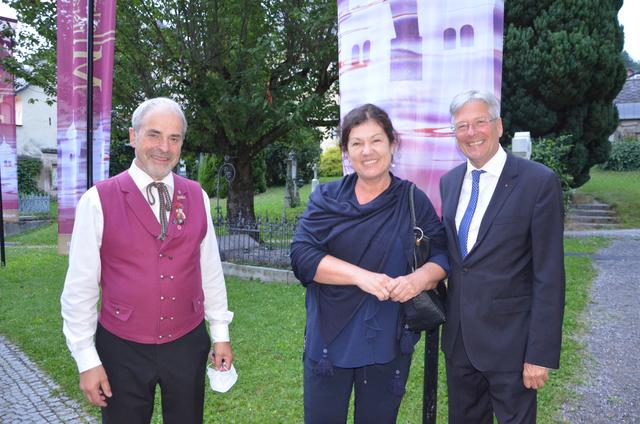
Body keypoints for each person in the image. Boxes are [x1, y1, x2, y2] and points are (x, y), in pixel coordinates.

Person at [60, 97, 234, 423]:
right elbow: (80, 289)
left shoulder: (196, 195)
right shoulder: (98, 200)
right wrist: (86, 359)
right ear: (132, 136)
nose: (164, 147)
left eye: (174, 138)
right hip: (122, 347)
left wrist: (220, 333)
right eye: (154, 135)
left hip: (187, 342)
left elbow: (209, 269)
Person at [290, 103, 449, 424]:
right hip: (329, 340)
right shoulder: (328, 198)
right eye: (357, 143)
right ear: (346, 151)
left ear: (392, 144)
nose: (368, 151)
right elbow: (302, 257)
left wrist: (417, 280)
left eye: (376, 140)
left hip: (387, 339)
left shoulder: (411, 200)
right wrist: (361, 277)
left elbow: (442, 256)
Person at [439, 90, 565, 423]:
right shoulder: (449, 183)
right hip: (460, 344)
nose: (471, 132)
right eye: (462, 125)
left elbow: (549, 275)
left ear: (499, 126)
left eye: (480, 122)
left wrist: (540, 354)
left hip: (513, 346)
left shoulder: (538, 182)